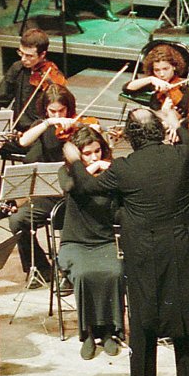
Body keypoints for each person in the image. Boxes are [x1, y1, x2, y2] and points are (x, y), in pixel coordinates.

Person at [64, 107, 189, 376]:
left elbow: (89, 187)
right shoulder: (181, 155)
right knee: (185, 324)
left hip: (144, 255)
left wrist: (76, 160)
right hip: (182, 251)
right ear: (159, 130)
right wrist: (179, 125)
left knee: (144, 322)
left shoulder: (123, 168)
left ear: (130, 137)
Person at [57, 125, 124, 360]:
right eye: (88, 153)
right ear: (78, 155)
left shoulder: (111, 173)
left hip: (103, 241)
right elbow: (71, 188)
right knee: (85, 274)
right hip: (74, 243)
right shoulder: (67, 173)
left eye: (98, 151)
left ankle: (108, 331)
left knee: (114, 272)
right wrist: (92, 169)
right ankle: (87, 334)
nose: (95, 157)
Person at [6, 84, 81, 285]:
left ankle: (68, 272)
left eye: (61, 111)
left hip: (76, 196)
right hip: (49, 195)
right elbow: (24, 142)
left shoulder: (78, 125)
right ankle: (40, 268)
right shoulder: (44, 125)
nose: (58, 115)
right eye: (52, 111)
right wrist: (48, 122)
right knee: (17, 220)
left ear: (69, 108)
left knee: (71, 224)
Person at [0, 28, 63, 131]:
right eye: (21, 53)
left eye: (29, 56)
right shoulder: (17, 67)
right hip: (17, 127)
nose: (23, 59)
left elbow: (60, 102)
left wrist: (50, 83)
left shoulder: (51, 74)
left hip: (41, 129)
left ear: (42, 55)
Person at [122, 42, 189, 116]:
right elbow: (127, 89)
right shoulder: (154, 83)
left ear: (174, 66)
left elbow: (184, 115)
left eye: (165, 69)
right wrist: (151, 79)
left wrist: (166, 112)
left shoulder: (182, 88)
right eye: (157, 70)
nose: (162, 74)